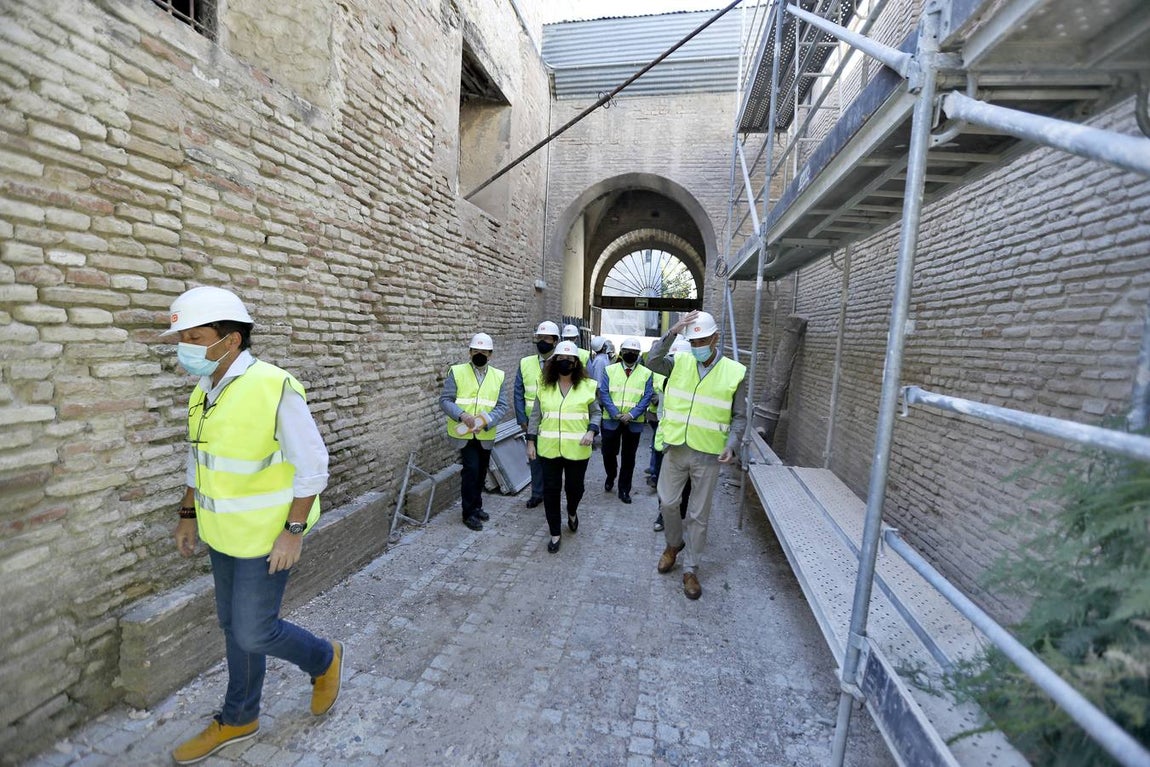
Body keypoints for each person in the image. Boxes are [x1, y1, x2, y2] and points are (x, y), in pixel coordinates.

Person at [163, 286, 342, 764]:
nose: (185, 347)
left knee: (254, 631)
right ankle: (240, 716)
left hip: (268, 534)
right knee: (232, 625)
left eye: (195, 337)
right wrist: (187, 513)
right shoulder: (204, 392)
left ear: (231, 341)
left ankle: (324, 659)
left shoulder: (273, 385)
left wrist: (293, 531)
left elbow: (313, 465)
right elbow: (197, 459)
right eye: (182, 337)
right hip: (222, 533)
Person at [645, 310, 747, 600]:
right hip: (676, 448)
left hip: (708, 455)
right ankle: (673, 544)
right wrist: (674, 331)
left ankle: (691, 568)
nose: (698, 345)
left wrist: (733, 443)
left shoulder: (733, 372)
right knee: (668, 502)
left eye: (703, 339)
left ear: (715, 338)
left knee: (699, 516)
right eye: (694, 340)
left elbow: (740, 416)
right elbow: (651, 361)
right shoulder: (680, 362)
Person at [525, 340, 601, 553]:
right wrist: (530, 441)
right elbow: (535, 416)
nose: (565, 362)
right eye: (561, 358)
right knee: (551, 491)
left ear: (576, 363)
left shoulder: (587, 386)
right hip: (548, 449)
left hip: (578, 448)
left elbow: (596, 412)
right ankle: (555, 533)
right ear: (554, 361)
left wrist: (592, 430)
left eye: (569, 359)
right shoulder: (544, 387)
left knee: (575, 489)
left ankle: (572, 511)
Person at [439, 332, 510, 531]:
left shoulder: (498, 376)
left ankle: (477, 506)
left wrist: (486, 421)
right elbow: (445, 400)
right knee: (471, 470)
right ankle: (468, 512)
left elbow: (502, 406)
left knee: (480, 472)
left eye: (484, 351)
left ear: (491, 354)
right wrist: (462, 415)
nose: (480, 354)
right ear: (469, 352)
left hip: (485, 433)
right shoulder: (457, 372)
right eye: (476, 351)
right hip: (463, 432)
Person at [599, 337, 654, 504]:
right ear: (621, 352)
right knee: (608, 453)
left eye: (634, 352)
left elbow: (647, 396)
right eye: (628, 351)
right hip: (611, 419)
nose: (631, 354)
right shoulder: (610, 370)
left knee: (629, 457)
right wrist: (616, 413)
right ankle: (611, 474)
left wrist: (631, 415)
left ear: (638, 354)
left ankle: (624, 489)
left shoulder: (646, 373)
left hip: (634, 422)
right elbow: (604, 393)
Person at [515, 321, 560, 509]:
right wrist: (522, 419)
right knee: (534, 459)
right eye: (539, 338)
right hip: (530, 423)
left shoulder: (563, 363)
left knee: (553, 460)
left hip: (554, 422)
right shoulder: (525, 363)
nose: (542, 342)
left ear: (555, 341)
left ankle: (552, 493)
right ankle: (537, 493)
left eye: (546, 338)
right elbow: (518, 391)